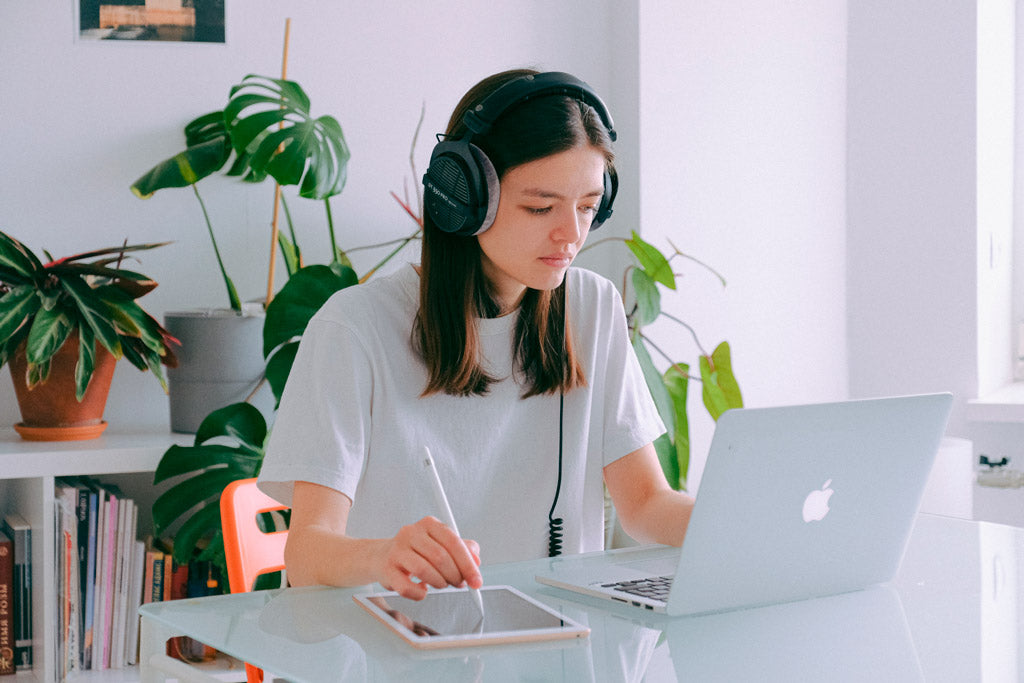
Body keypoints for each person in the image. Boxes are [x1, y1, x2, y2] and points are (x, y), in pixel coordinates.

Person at [257, 68, 695, 600]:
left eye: (587, 206)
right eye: (540, 207)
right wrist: (382, 555)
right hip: (389, 648)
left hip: (553, 652)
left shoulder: (592, 308)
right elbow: (305, 553)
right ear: (462, 198)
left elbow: (646, 504)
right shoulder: (355, 327)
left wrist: (754, 522)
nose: (571, 234)